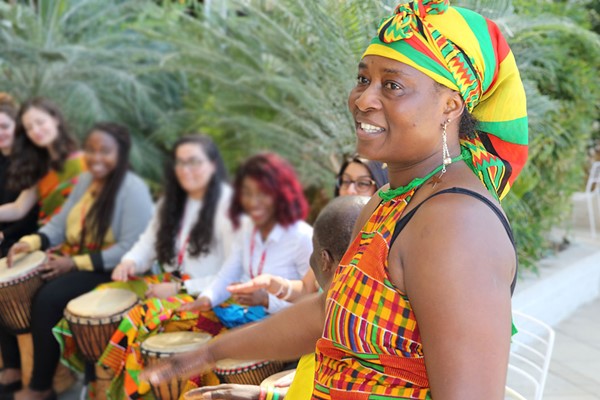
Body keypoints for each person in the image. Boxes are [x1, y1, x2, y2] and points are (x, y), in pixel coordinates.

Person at [143, 1, 528, 399]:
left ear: (450, 106)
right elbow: (330, 309)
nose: (363, 99)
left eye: (392, 85)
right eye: (363, 79)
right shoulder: (389, 202)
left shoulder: (456, 223)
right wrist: (209, 354)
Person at [61, 134, 235, 399]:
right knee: (105, 291)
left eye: (194, 162)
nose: (186, 170)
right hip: (169, 281)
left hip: (210, 297)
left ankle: (113, 388)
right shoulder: (171, 203)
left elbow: (234, 274)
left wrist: (180, 287)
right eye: (180, 163)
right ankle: (98, 380)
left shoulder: (230, 208)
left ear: (213, 164)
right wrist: (130, 261)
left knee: (136, 317)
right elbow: (147, 243)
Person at [2, 122, 153, 400]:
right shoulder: (86, 180)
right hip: (81, 260)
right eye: (91, 150)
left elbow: (130, 250)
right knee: (34, 283)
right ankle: (30, 372)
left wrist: (73, 264)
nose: (96, 157)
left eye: (104, 151)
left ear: (121, 152)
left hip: (120, 272)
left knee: (47, 299)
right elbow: (59, 223)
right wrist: (32, 242)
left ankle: (40, 386)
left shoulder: (133, 190)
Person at [187, 195, 369, 400]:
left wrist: (264, 395)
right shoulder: (371, 304)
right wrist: (274, 286)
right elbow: (307, 288)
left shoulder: (336, 331)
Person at [227, 155, 387, 302]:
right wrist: (272, 283)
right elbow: (306, 289)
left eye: (363, 183)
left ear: (381, 187)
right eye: (345, 181)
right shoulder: (331, 231)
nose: (350, 190)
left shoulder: (386, 243)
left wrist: (266, 300)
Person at [181, 152, 313, 317]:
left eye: (263, 193)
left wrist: (266, 300)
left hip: (286, 330)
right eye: (247, 193)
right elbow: (228, 275)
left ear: (280, 194)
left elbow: (312, 302)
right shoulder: (247, 228)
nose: (253, 202)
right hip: (249, 319)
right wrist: (206, 299)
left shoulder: (302, 237)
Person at [0, 97, 86, 226]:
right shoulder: (40, 165)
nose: (36, 131)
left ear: (55, 119)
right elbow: (19, 208)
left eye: (40, 122)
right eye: (29, 128)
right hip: (45, 238)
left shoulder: (82, 162)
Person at [0, 94, 39, 257]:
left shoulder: (33, 159)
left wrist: (5, 234)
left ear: (17, 126)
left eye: (4, 127)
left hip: (24, 236)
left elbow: (26, 211)